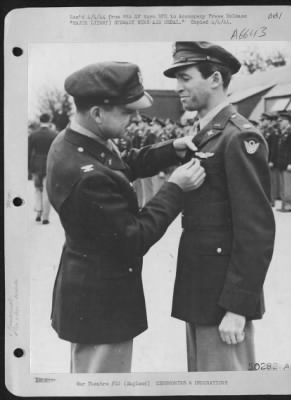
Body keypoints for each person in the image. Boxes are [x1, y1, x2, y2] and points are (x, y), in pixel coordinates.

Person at [46, 61, 205, 373]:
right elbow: (135, 237)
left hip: (91, 297)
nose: (136, 117)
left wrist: (171, 150)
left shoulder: (77, 143)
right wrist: (175, 189)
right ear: (97, 113)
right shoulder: (86, 176)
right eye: (127, 111)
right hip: (102, 308)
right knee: (102, 388)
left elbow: (121, 166)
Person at [163, 41, 275, 371]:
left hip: (223, 302)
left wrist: (238, 308)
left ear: (214, 79)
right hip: (200, 292)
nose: (178, 87)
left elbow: (256, 228)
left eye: (185, 77)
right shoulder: (205, 133)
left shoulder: (238, 137)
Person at [28, 113, 58, 224]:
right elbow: (57, 152)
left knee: (37, 189)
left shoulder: (33, 135)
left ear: (40, 121)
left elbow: (28, 152)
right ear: (49, 121)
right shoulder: (54, 135)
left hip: (35, 165)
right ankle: (45, 217)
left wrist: (28, 168)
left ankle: (38, 212)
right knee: (46, 190)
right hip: (49, 165)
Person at [259, 112, 281, 206]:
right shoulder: (264, 131)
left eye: (264, 120)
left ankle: (271, 200)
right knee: (265, 180)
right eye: (262, 120)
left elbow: (274, 148)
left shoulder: (273, 132)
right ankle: (267, 199)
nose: (262, 122)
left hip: (271, 160)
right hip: (264, 159)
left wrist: (271, 160)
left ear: (269, 121)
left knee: (272, 181)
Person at [276, 111, 291, 211]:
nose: (280, 123)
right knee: (282, 186)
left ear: (287, 121)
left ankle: (289, 206)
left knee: (288, 186)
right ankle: (284, 205)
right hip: (282, 164)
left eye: (281, 121)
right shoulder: (283, 132)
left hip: (288, 164)